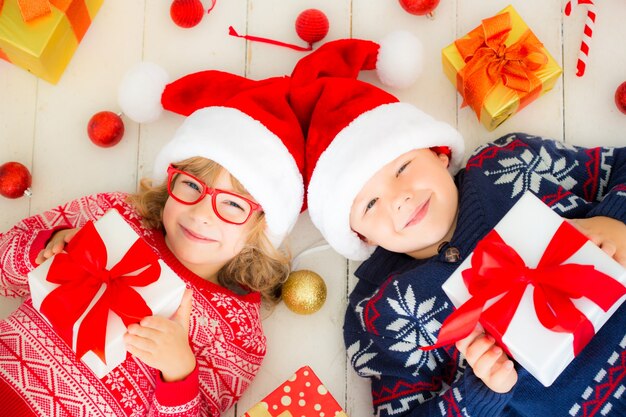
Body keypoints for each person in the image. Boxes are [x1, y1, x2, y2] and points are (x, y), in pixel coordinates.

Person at [288, 38, 626, 416]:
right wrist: (481, 392)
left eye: (403, 168)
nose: (399, 197)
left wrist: (614, 220)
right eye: (369, 204)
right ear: (360, 237)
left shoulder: (508, 165)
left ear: (438, 152)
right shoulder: (386, 309)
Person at [0, 69, 305, 417]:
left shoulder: (238, 336)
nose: (203, 213)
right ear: (169, 181)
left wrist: (178, 371)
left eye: (233, 205)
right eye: (192, 185)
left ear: (261, 229)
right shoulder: (115, 215)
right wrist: (50, 246)